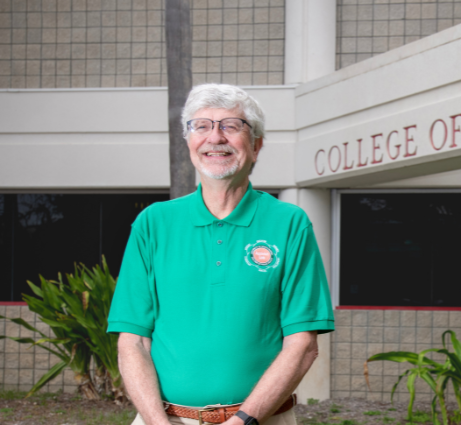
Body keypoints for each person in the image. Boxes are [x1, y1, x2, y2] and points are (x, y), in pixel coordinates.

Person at [108, 84, 336, 425]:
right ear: (189, 142)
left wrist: (244, 420)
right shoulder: (153, 223)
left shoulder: (289, 224)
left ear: (256, 145)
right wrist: (157, 422)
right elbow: (134, 342)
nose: (215, 138)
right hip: (163, 420)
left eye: (231, 126)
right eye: (201, 126)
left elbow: (302, 345)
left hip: (260, 421)